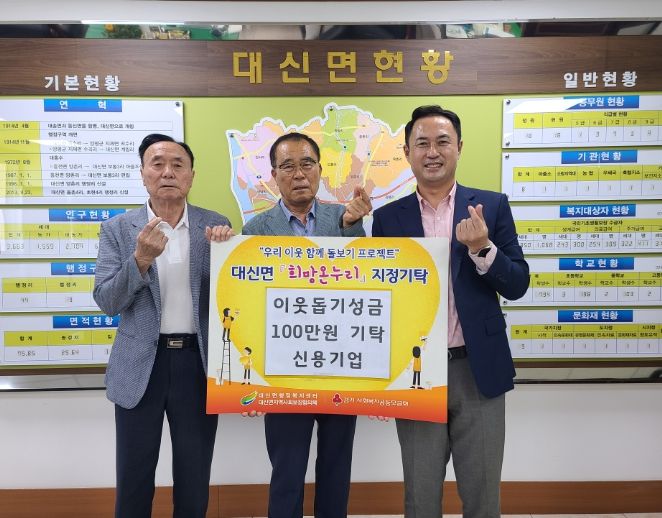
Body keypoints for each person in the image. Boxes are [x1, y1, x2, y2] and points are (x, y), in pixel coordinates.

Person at [372, 106, 530, 517]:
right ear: (407, 152)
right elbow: (379, 300)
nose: (432, 152)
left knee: (482, 495)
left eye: (442, 142)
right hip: (416, 371)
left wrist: (482, 248)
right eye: (422, 143)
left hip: (478, 369)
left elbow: (517, 284)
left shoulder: (491, 206)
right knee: (420, 496)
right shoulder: (387, 219)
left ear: (459, 147)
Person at [93, 133, 235, 518]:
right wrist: (139, 260)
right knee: (134, 475)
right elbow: (107, 301)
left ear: (191, 176)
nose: (167, 172)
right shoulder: (118, 229)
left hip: (196, 364)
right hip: (141, 365)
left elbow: (231, 299)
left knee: (194, 474)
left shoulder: (215, 225)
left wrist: (227, 253)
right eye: (157, 164)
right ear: (143, 173)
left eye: (177, 164)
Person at [242, 131, 372, 518]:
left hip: (339, 368)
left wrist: (353, 224)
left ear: (319, 169)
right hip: (284, 373)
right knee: (287, 470)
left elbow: (361, 283)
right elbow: (249, 305)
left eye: (307, 164)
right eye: (288, 166)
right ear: (273, 175)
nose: (299, 174)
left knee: (336, 467)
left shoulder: (344, 217)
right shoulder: (255, 230)